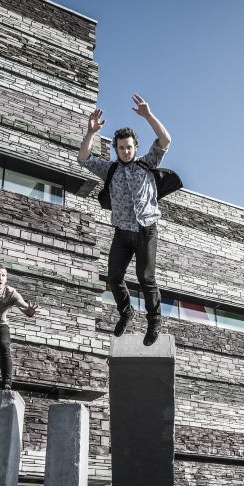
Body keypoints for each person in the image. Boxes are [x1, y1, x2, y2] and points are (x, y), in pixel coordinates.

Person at [78, 94, 174, 346]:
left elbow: (165, 140)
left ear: (135, 147)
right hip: (122, 232)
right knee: (113, 277)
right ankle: (126, 311)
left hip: (146, 230)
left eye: (129, 147)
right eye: (121, 147)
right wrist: (90, 133)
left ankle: (154, 321)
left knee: (146, 279)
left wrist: (148, 116)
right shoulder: (109, 169)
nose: (125, 151)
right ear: (116, 149)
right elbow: (83, 159)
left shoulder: (146, 164)